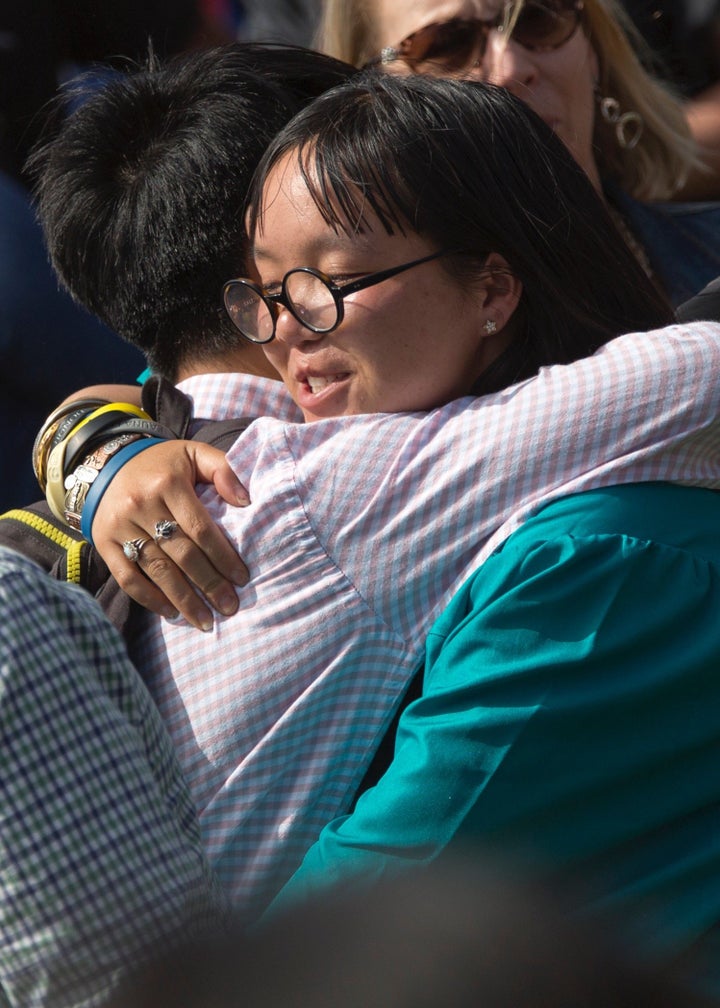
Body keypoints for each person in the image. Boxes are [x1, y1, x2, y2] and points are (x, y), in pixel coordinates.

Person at [32, 68, 720, 997]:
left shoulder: (210, 470)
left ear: (494, 287)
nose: (287, 333)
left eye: (333, 283)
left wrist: (84, 437)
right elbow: (695, 371)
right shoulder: (343, 480)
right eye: (270, 294)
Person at [315, 0, 720, 303]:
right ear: (368, 100)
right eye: (446, 44)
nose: (510, 68)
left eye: (538, 17)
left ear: (593, 47)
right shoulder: (392, 358)